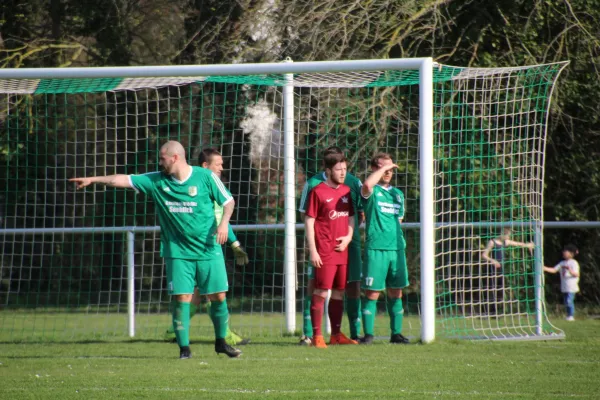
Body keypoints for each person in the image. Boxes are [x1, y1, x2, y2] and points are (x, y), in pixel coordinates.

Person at [70, 140, 242, 359]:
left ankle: (221, 343)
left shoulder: (205, 177)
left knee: (218, 296)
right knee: (182, 298)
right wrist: (93, 180)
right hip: (177, 252)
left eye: (162, 158)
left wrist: (224, 224)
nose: (159, 162)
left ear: (175, 158)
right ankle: (184, 350)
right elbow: (122, 179)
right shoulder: (157, 180)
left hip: (209, 249)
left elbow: (228, 201)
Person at [163, 148, 250, 346]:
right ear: (205, 166)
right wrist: (234, 243)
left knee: (200, 294)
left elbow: (222, 223)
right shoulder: (203, 188)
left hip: (206, 248)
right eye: (218, 164)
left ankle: (174, 331)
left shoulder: (214, 188)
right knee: (206, 294)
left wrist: (234, 243)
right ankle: (223, 335)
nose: (222, 167)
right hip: (194, 250)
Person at [298, 146, 364, 345]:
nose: (343, 173)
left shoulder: (346, 190)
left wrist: (348, 237)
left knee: (339, 291)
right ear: (328, 171)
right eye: (338, 170)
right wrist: (314, 250)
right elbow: (309, 221)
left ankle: (336, 335)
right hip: (324, 250)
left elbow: (352, 217)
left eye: (344, 169)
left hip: (341, 249)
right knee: (321, 291)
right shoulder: (317, 191)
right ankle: (317, 336)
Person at [360, 152, 409, 345]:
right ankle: (369, 335)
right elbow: (366, 185)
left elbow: (399, 220)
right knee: (372, 292)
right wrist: (382, 169)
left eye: (390, 168)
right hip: (376, 249)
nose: (388, 172)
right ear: (375, 168)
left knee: (396, 292)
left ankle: (396, 334)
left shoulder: (398, 194)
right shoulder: (371, 191)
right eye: (383, 168)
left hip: (396, 250)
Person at [481, 227, 534, 315]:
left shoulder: (505, 242)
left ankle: (495, 312)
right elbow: (484, 255)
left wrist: (528, 245)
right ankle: (485, 312)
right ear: (503, 234)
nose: (508, 238)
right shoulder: (492, 242)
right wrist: (492, 260)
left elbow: (518, 244)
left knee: (499, 290)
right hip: (492, 269)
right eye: (507, 236)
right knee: (491, 290)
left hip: (501, 269)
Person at [543, 244, 580, 321]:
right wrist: (544, 268)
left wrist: (570, 271)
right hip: (565, 286)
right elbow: (554, 270)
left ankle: (571, 316)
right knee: (566, 302)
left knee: (569, 301)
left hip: (571, 286)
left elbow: (577, 274)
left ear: (571, 254)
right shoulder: (562, 263)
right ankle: (568, 315)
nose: (563, 252)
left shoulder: (574, 263)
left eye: (565, 251)